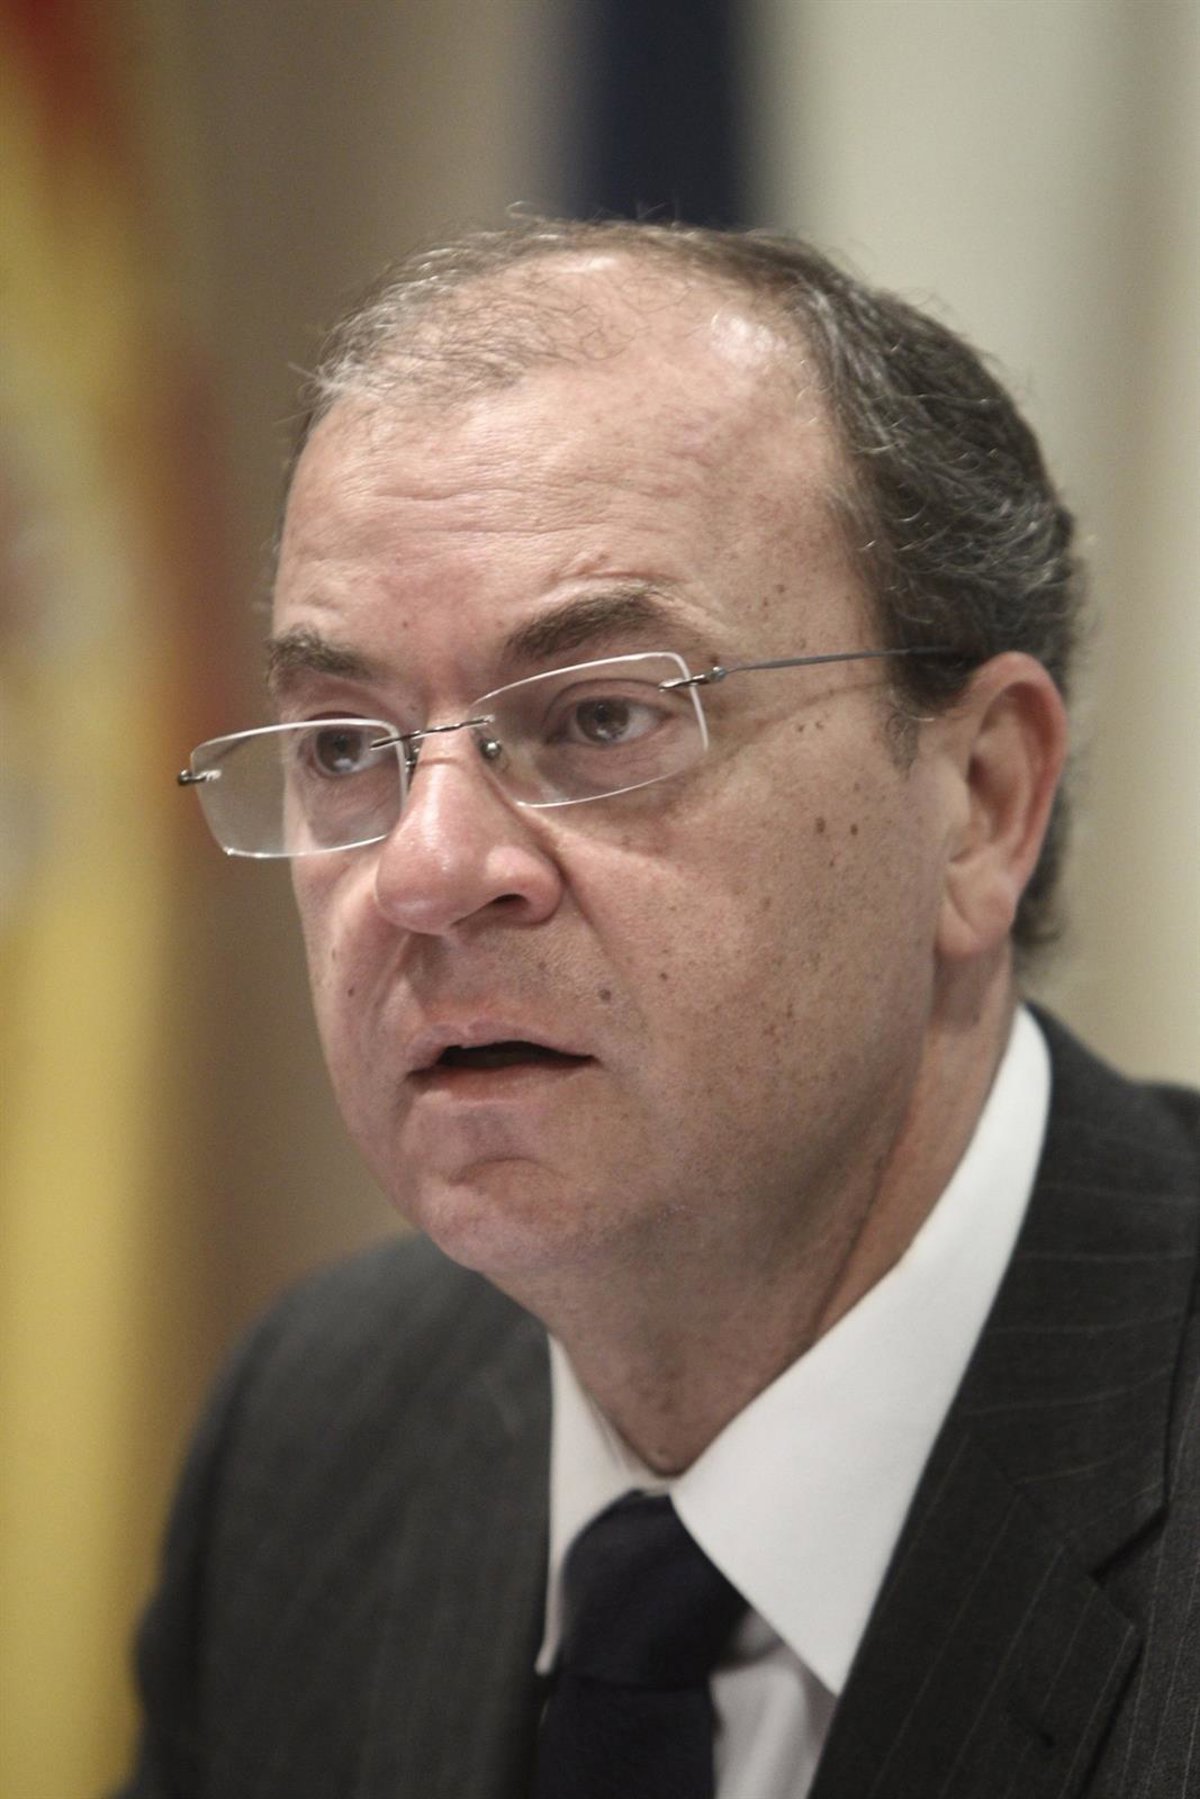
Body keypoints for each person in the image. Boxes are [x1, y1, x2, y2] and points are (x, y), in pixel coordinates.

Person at [124, 220, 1198, 1799]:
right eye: (345, 745)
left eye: (604, 716)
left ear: (979, 801)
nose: (427, 872)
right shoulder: (317, 1438)